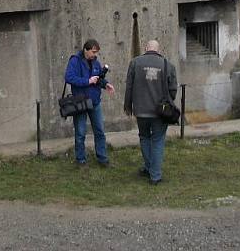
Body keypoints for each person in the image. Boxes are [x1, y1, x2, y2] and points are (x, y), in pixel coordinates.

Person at [123, 39, 177, 185]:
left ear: (146, 48)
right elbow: (173, 90)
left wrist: (128, 106)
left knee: (144, 137)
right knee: (158, 140)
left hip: (141, 111)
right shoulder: (168, 65)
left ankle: (148, 168)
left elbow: (129, 86)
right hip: (160, 112)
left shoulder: (135, 63)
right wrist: (168, 101)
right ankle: (155, 176)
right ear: (158, 50)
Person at [64, 39, 115, 167]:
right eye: (93, 52)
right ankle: (81, 161)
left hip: (95, 102)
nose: (95, 54)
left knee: (100, 131)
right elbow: (69, 77)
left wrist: (105, 84)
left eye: (96, 52)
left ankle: (103, 159)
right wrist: (87, 81)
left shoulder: (96, 62)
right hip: (80, 103)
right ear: (86, 50)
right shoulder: (75, 60)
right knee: (80, 133)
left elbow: (98, 78)